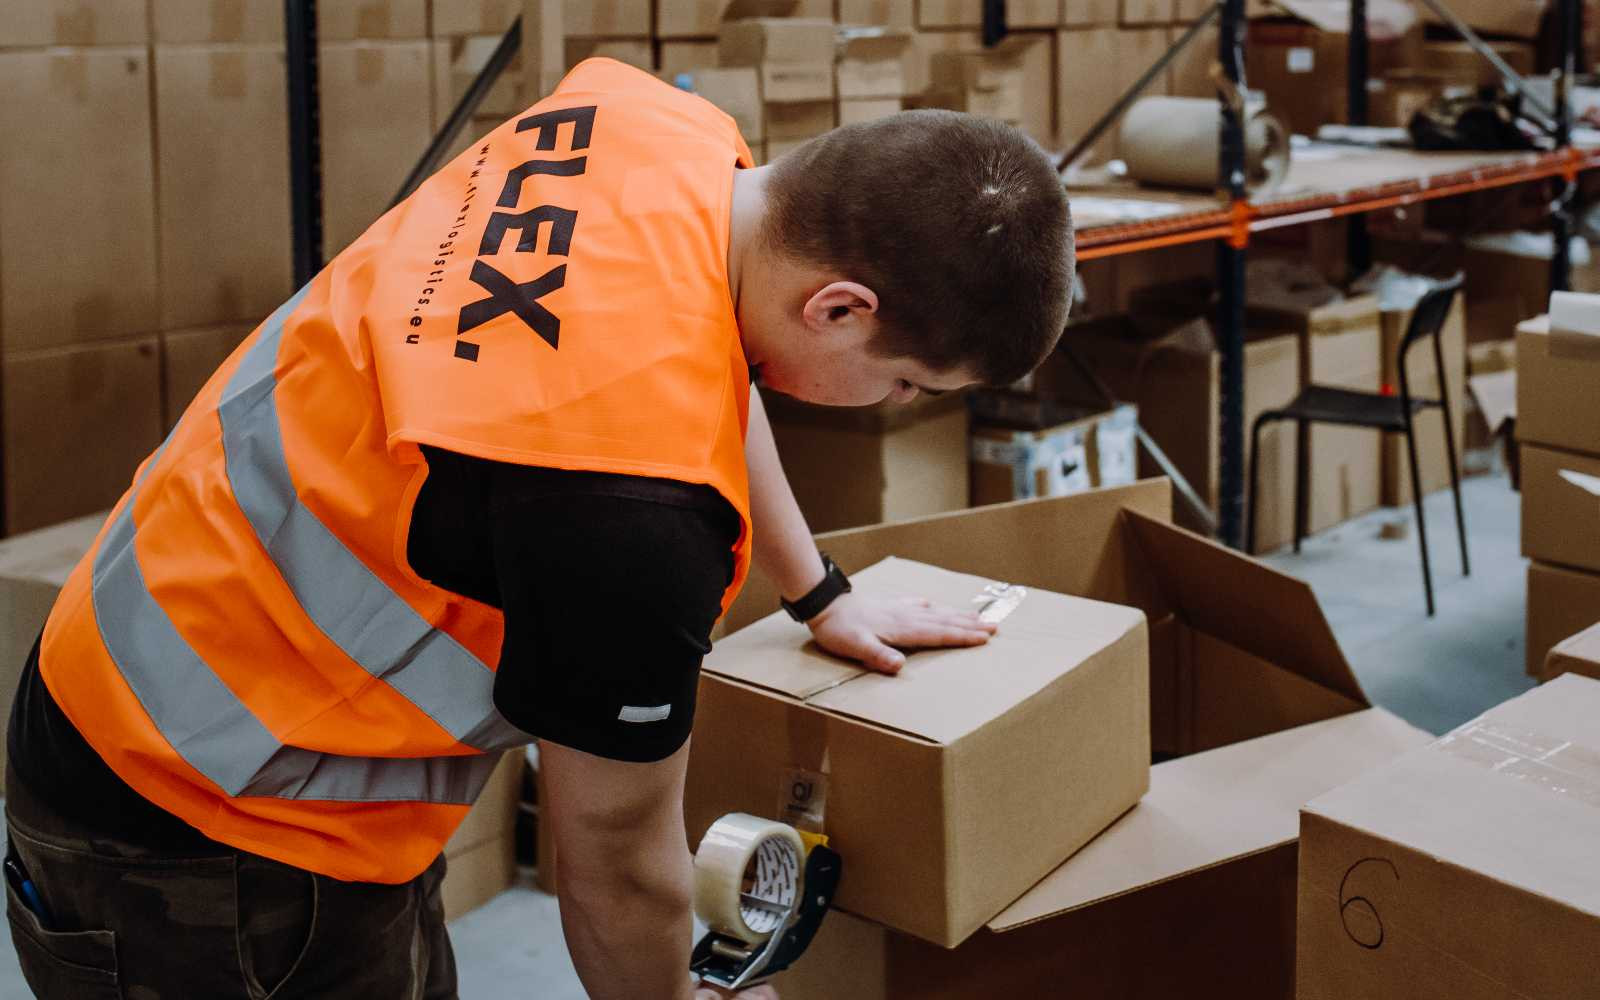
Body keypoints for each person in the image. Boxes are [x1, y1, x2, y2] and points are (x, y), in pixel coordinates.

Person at [3, 58, 1073, 999]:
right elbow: (614, 852)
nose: (888, 406)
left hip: (149, 638)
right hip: (202, 829)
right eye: (900, 383)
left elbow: (711, 361)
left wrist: (819, 592)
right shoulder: (631, 521)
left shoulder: (649, 130)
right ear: (839, 307)